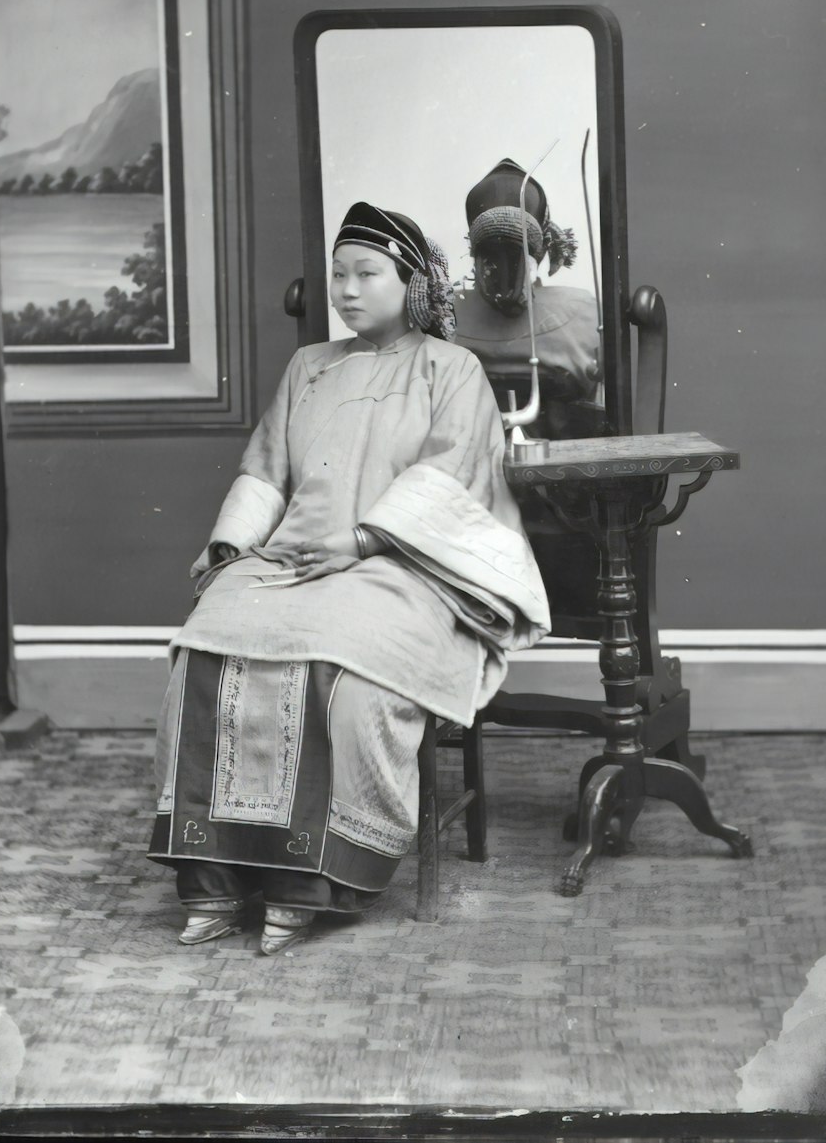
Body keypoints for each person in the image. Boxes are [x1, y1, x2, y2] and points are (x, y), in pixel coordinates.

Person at [148, 202, 551, 955]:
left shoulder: (450, 368)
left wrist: (360, 539)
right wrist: (231, 542)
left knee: (341, 671)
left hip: (403, 567)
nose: (348, 288)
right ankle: (215, 877)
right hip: (293, 560)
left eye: (367, 273)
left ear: (412, 281)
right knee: (202, 644)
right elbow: (268, 466)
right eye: (339, 274)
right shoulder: (310, 366)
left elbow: (452, 476)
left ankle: (312, 882)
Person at [452, 158, 603, 418]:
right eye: (494, 253)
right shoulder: (584, 310)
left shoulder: (442, 313)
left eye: (512, 254)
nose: (504, 269)